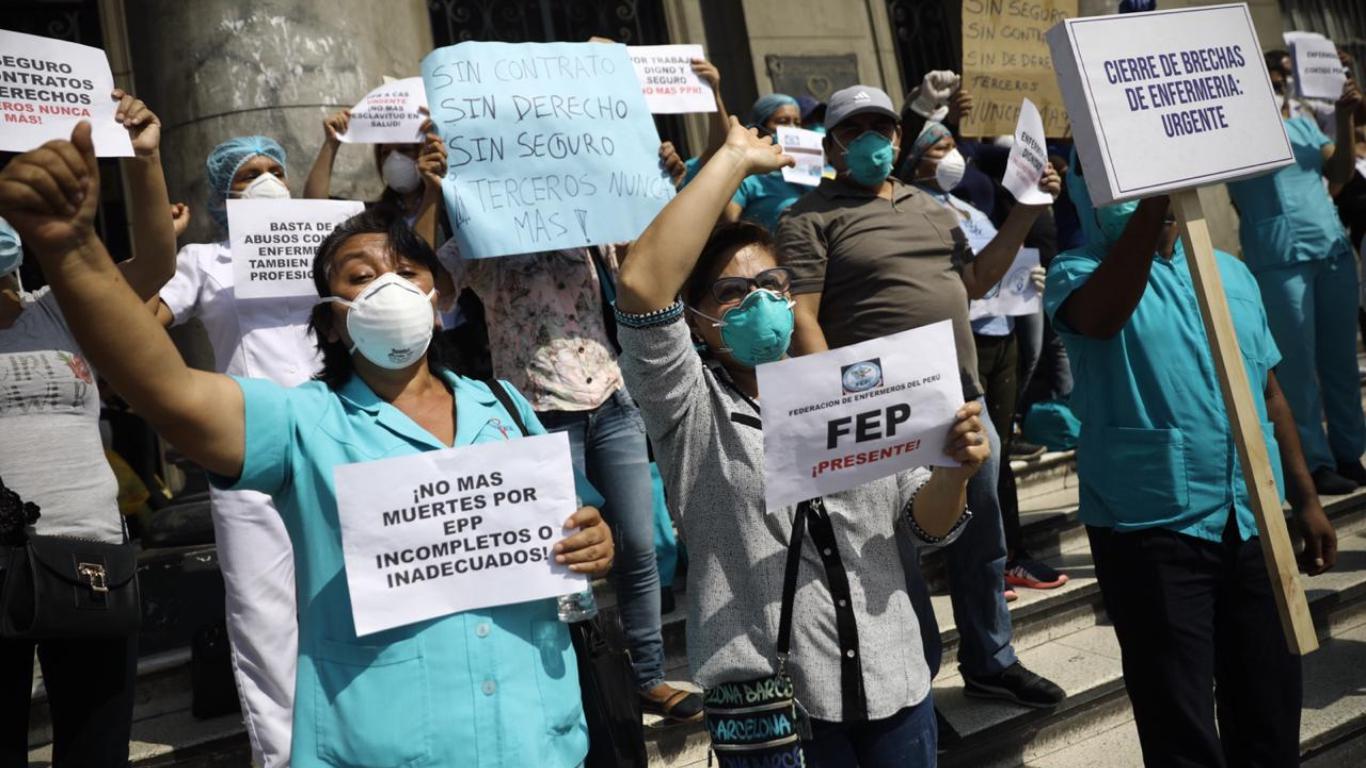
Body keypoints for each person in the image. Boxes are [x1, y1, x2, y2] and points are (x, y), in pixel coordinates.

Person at [0, 122, 615, 768]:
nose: (389, 286)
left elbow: (575, 527)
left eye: (407, 270)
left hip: (540, 747)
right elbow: (168, 390)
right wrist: (71, 248)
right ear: (328, 315)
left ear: (438, 298)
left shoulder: (508, 408)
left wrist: (595, 540)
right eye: (359, 276)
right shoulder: (301, 424)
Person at [615, 116, 989, 766]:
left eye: (773, 287)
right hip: (777, 720)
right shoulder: (692, 412)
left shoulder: (857, 391)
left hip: (897, 691)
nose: (759, 303)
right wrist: (731, 158)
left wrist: (953, 473)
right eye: (732, 294)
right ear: (699, 321)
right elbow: (642, 287)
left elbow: (927, 529)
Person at [778, 84, 1065, 709]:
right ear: (831, 145)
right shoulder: (807, 217)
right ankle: (912, 684)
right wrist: (839, 408)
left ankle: (992, 660)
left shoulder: (935, 209)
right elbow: (802, 316)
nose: (871, 141)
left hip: (961, 402)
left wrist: (1025, 209)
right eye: (855, 131)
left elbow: (976, 281)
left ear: (899, 138)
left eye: (881, 128)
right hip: (879, 414)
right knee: (895, 555)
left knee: (982, 539)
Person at [1044, 189, 1338, 767]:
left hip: (1252, 521)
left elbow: (1270, 392)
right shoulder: (1077, 270)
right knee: (1178, 723)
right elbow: (1101, 321)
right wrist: (1152, 207)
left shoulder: (1230, 272)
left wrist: (1306, 499)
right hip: (1151, 528)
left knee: (1270, 709)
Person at [434, 146, 700, 723]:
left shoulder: (587, 224)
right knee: (567, 557)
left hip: (612, 396)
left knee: (639, 543)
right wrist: (441, 190)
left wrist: (656, 188)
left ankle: (648, 676)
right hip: (536, 414)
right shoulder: (484, 237)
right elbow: (437, 291)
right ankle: (586, 680)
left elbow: (644, 263)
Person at [1, 91, 175, 768]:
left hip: (87, 554)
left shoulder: (62, 310)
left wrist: (145, 159)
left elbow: (157, 263)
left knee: (97, 747)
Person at [149, 135, 312, 766]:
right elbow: (142, 325)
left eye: (276, 170)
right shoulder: (204, 262)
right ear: (224, 194)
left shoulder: (321, 246)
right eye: (251, 174)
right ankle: (284, 755)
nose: (269, 180)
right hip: (246, 443)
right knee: (262, 610)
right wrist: (184, 406)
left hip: (334, 433)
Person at [901, 122, 1069, 593]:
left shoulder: (967, 207)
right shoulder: (914, 211)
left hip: (1002, 337)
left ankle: (1008, 555)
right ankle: (970, 564)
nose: (953, 154)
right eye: (939, 146)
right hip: (963, 348)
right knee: (972, 461)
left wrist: (1025, 282)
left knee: (998, 457)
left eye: (955, 144)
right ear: (915, 161)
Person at [1226, 73, 1364, 495]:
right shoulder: (1231, 130)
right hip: (1281, 258)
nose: (1279, 85)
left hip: (1332, 252)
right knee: (1297, 371)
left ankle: (1348, 454)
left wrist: (1343, 119)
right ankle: (1312, 463)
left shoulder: (1303, 125)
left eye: (1282, 79)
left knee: (1340, 362)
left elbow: (1340, 171)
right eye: (1269, 77)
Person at [303, 106, 447, 246]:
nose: (393, 158)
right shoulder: (375, 215)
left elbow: (421, 258)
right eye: (385, 153)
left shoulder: (451, 211)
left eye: (404, 149)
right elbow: (316, 208)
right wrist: (331, 142)